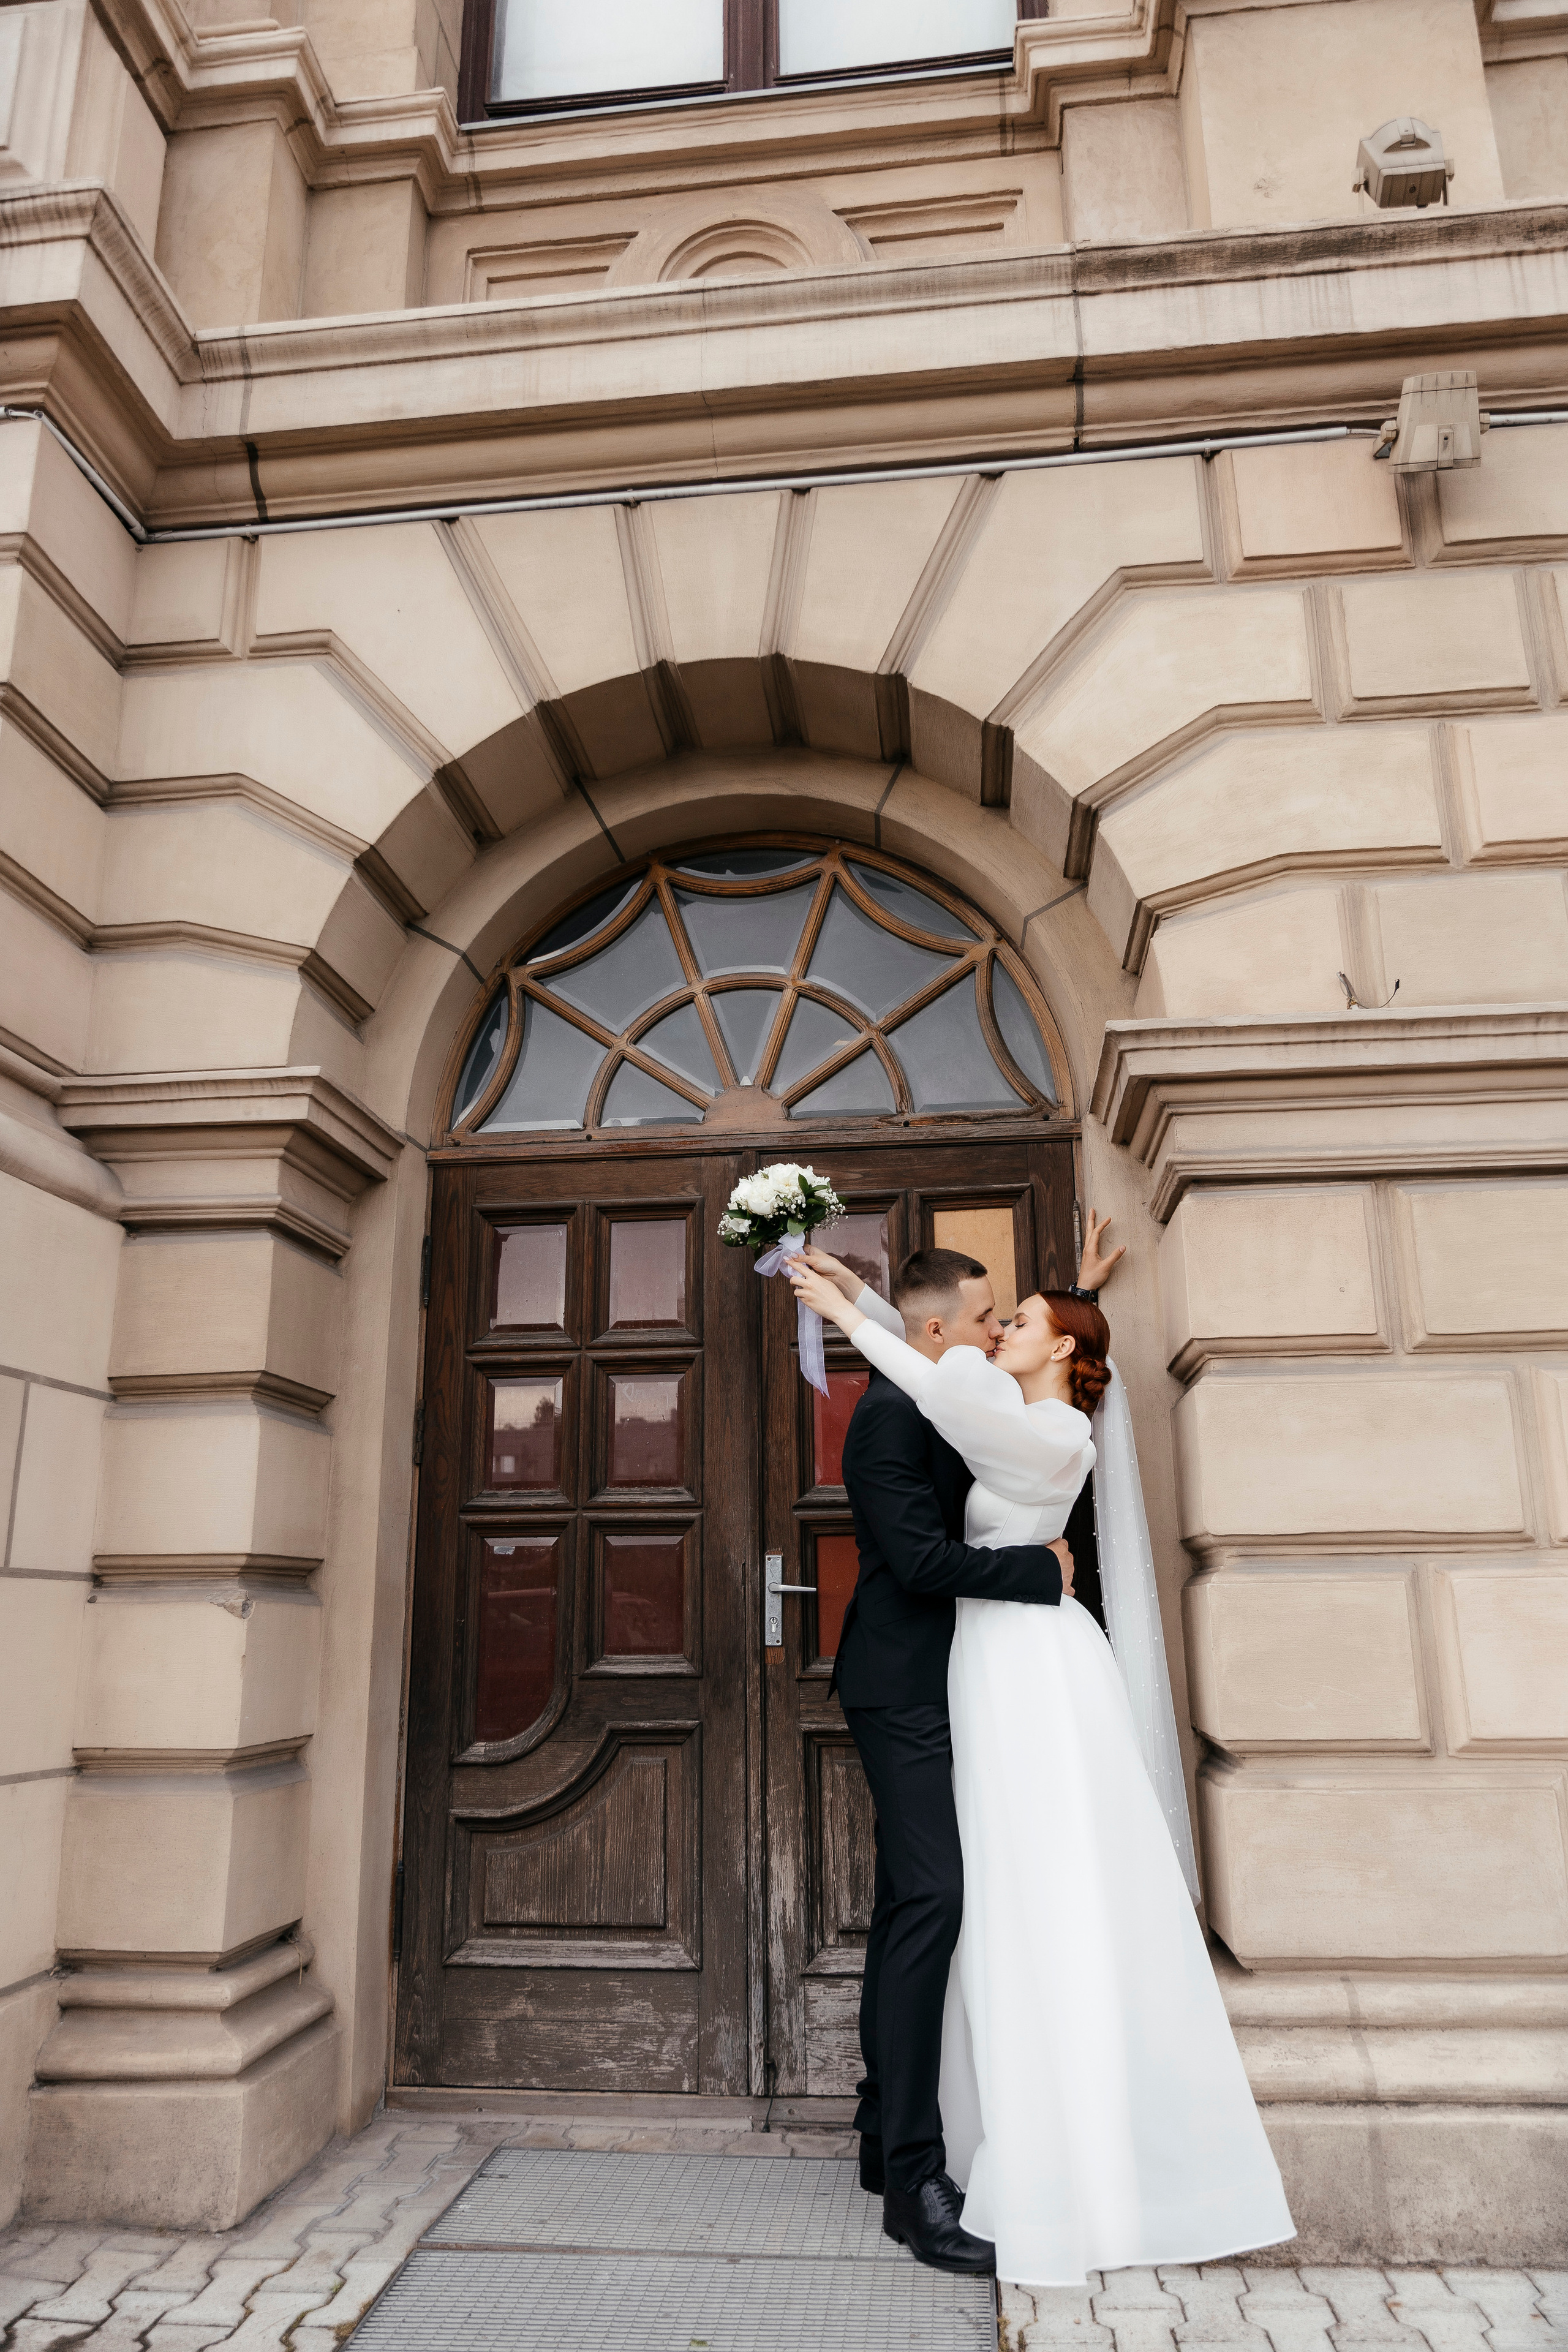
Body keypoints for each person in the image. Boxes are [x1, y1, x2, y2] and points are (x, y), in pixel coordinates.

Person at [790, 1231, 1294, 2289]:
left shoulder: (1022, 1417)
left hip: (1000, 1674)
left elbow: (951, 1369)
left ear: (1055, 1348)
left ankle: (904, 2140)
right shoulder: (911, 1409)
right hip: (937, 1669)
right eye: (989, 1317)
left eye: (1014, 1322)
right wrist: (1036, 1564)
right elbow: (927, 1537)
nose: (995, 1331)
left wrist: (864, 1310)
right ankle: (906, 2158)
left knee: (953, 1898)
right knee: (931, 1900)